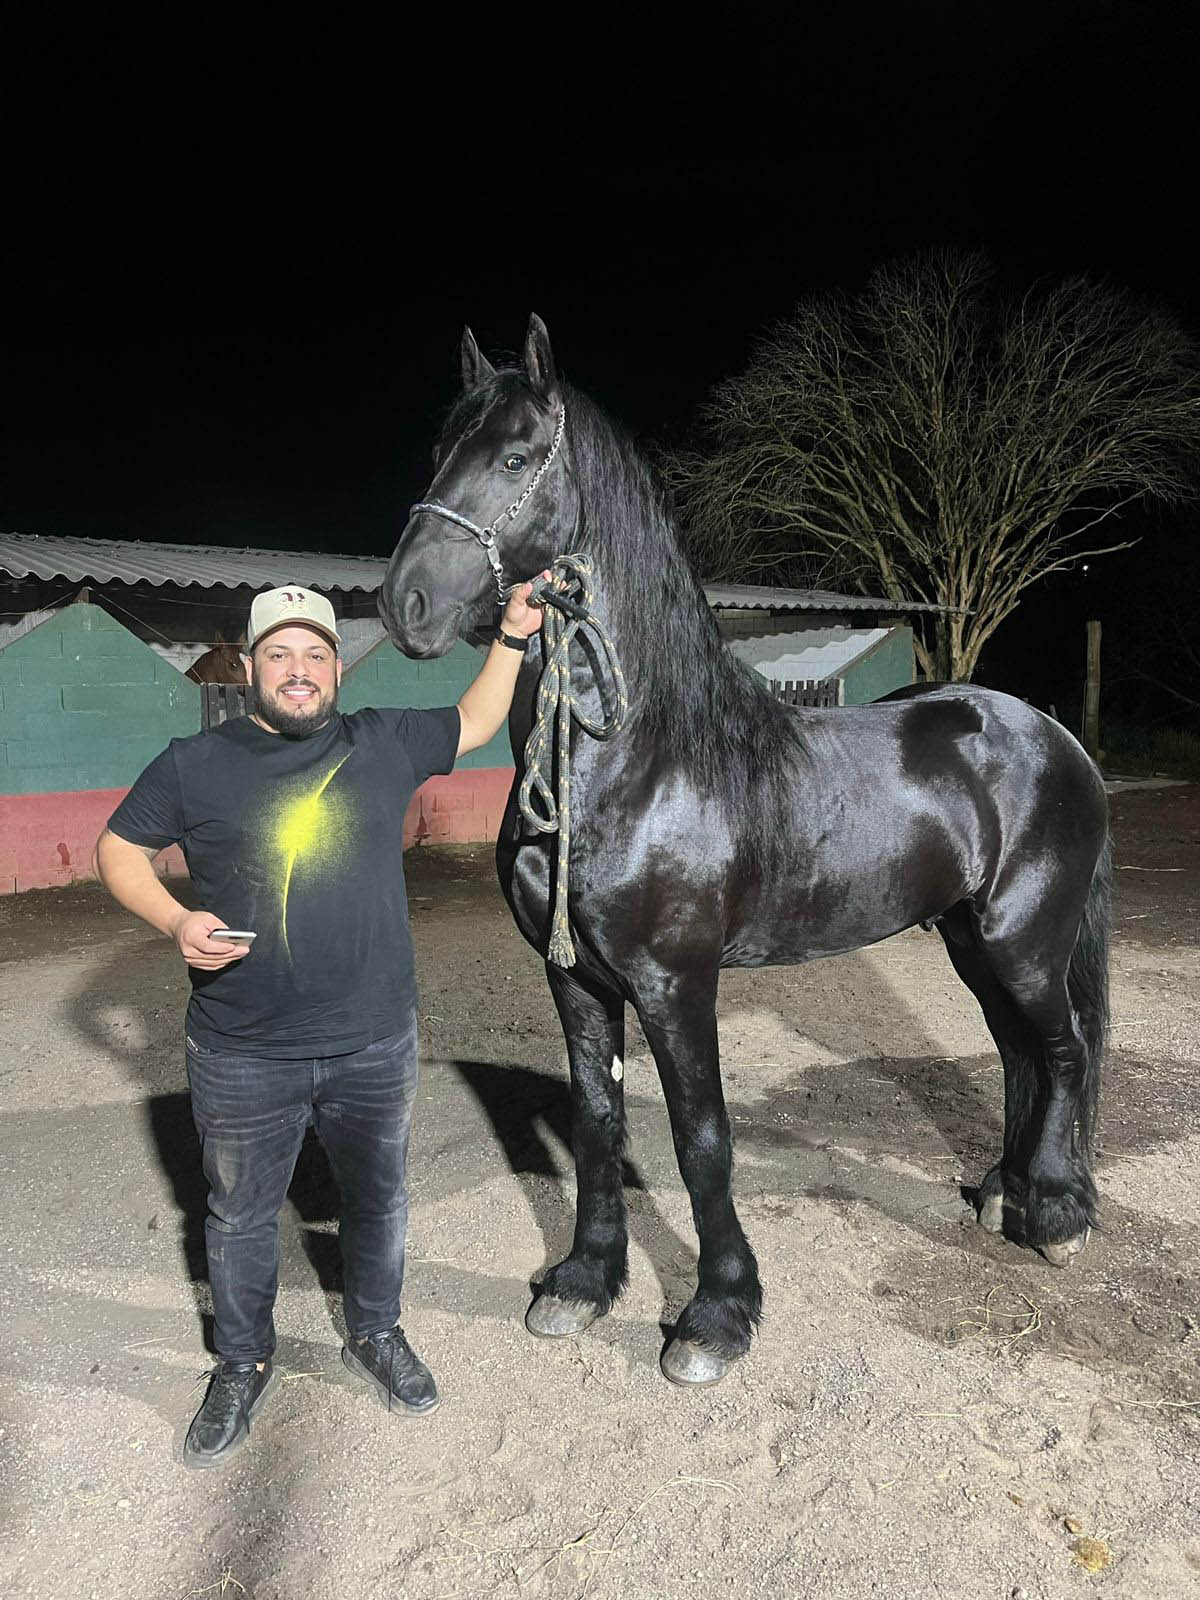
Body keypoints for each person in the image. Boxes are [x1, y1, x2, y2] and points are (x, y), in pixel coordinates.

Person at [95, 579, 545, 1468]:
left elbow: (478, 720)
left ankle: (375, 1333)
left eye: (315, 656)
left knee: (377, 1202)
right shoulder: (195, 762)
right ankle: (240, 1360)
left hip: (374, 1042)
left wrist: (516, 637)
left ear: (335, 668)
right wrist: (176, 921)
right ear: (250, 668)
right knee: (238, 1218)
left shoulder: (381, 742)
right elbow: (118, 849)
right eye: (279, 655)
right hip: (241, 1050)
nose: (298, 672)